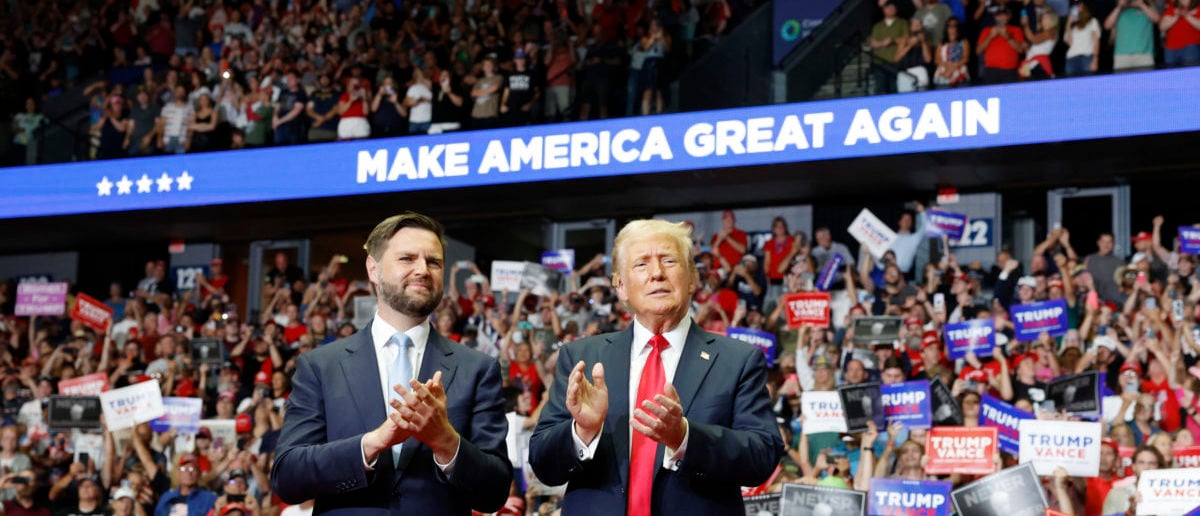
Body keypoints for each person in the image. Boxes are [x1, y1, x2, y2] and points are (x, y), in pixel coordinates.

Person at [528, 219, 783, 515]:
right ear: (621, 287)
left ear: (692, 280)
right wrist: (582, 432)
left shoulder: (738, 359)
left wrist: (685, 437)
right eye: (641, 264)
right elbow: (544, 466)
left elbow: (762, 457)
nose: (657, 274)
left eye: (669, 260)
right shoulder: (582, 357)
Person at [271, 212, 510, 514]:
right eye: (407, 259)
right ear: (373, 268)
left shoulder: (477, 369)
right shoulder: (320, 366)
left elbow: (495, 492)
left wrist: (445, 440)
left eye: (433, 262)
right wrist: (371, 444)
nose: (423, 270)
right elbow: (288, 478)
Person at [1105, 0, 1161, 71]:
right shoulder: (1119, 11)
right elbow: (1107, 25)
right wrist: (1119, 7)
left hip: (1144, 55)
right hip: (1122, 55)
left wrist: (1142, 5)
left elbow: (1157, 19)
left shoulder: (1147, 8)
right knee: (1122, 82)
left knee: (1146, 81)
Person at [1064, 4, 1102, 75]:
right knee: (1071, 84)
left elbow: (1096, 41)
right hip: (1071, 59)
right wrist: (1069, 22)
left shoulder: (1092, 21)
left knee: (1088, 83)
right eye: (1075, 8)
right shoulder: (1073, 25)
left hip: (1086, 58)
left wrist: (1095, 59)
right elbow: (1069, 42)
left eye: (1079, 6)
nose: (1077, 9)